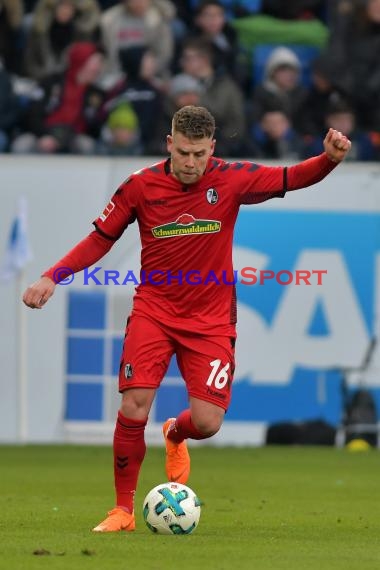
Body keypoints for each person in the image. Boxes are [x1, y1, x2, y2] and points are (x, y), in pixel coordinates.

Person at [22, 105, 351, 533]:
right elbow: (100, 239)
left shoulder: (231, 178)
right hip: (154, 312)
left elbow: (291, 177)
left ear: (211, 148)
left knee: (208, 423)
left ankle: (175, 432)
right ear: (169, 145)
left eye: (198, 154)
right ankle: (122, 510)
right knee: (133, 404)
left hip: (212, 320)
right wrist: (53, 275)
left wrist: (328, 159)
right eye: (183, 153)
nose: (191, 163)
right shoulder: (139, 186)